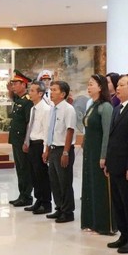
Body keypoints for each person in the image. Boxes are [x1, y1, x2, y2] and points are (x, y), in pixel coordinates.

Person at [104, 74, 128, 254]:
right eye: (117, 85)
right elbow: (113, 139)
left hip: (127, 166)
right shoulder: (118, 107)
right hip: (115, 164)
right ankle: (124, 235)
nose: (117, 88)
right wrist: (108, 163)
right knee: (118, 204)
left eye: (121, 85)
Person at [81, 74, 114, 234]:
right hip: (89, 151)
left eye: (92, 84)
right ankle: (91, 221)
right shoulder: (92, 105)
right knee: (90, 186)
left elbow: (107, 133)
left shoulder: (105, 107)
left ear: (101, 87)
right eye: (88, 84)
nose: (89, 87)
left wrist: (103, 156)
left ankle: (104, 224)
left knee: (100, 188)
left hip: (99, 152)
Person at [43, 81, 77, 223]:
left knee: (64, 182)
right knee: (54, 181)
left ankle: (68, 212)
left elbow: (70, 130)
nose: (51, 92)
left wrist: (65, 152)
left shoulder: (68, 109)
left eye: (54, 90)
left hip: (63, 149)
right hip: (53, 148)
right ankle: (59, 208)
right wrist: (47, 149)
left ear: (63, 94)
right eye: (51, 89)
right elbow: (51, 130)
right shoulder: (53, 108)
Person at [23, 81, 53, 214]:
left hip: (40, 144)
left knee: (42, 176)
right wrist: (26, 142)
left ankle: (46, 203)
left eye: (32, 91)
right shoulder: (32, 108)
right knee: (34, 175)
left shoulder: (46, 109)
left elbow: (47, 130)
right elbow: (30, 127)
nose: (29, 92)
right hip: (32, 143)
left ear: (40, 93)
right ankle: (38, 200)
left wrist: (46, 150)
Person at [8, 71, 34, 207]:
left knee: (25, 169)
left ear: (24, 84)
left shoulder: (27, 101)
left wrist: (26, 141)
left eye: (16, 83)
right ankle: (22, 194)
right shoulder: (18, 100)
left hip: (22, 140)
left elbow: (29, 123)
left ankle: (27, 196)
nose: (13, 85)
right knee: (19, 168)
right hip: (15, 139)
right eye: (12, 83)